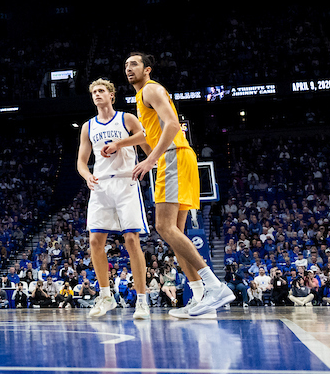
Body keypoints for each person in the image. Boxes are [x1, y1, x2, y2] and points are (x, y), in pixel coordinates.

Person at [127, 52, 233, 318]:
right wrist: (121, 143)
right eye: (126, 65)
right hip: (178, 157)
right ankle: (200, 297)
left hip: (173, 156)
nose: (129, 68)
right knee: (175, 234)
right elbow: (148, 136)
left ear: (147, 69)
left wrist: (150, 160)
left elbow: (173, 124)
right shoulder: (142, 98)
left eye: (134, 64)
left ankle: (215, 286)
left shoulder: (150, 89)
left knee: (163, 227)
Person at [77, 78, 151, 321]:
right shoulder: (88, 126)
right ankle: (106, 296)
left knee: (131, 240)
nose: (97, 94)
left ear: (111, 95)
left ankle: (142, 301)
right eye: (94, 92)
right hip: (100, 185)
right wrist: (87, 175)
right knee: (95, 241)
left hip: (125, 182)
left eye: (101, 91)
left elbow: (145, 137)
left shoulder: (126, 118)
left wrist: (120, 143)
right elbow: (81, 162)